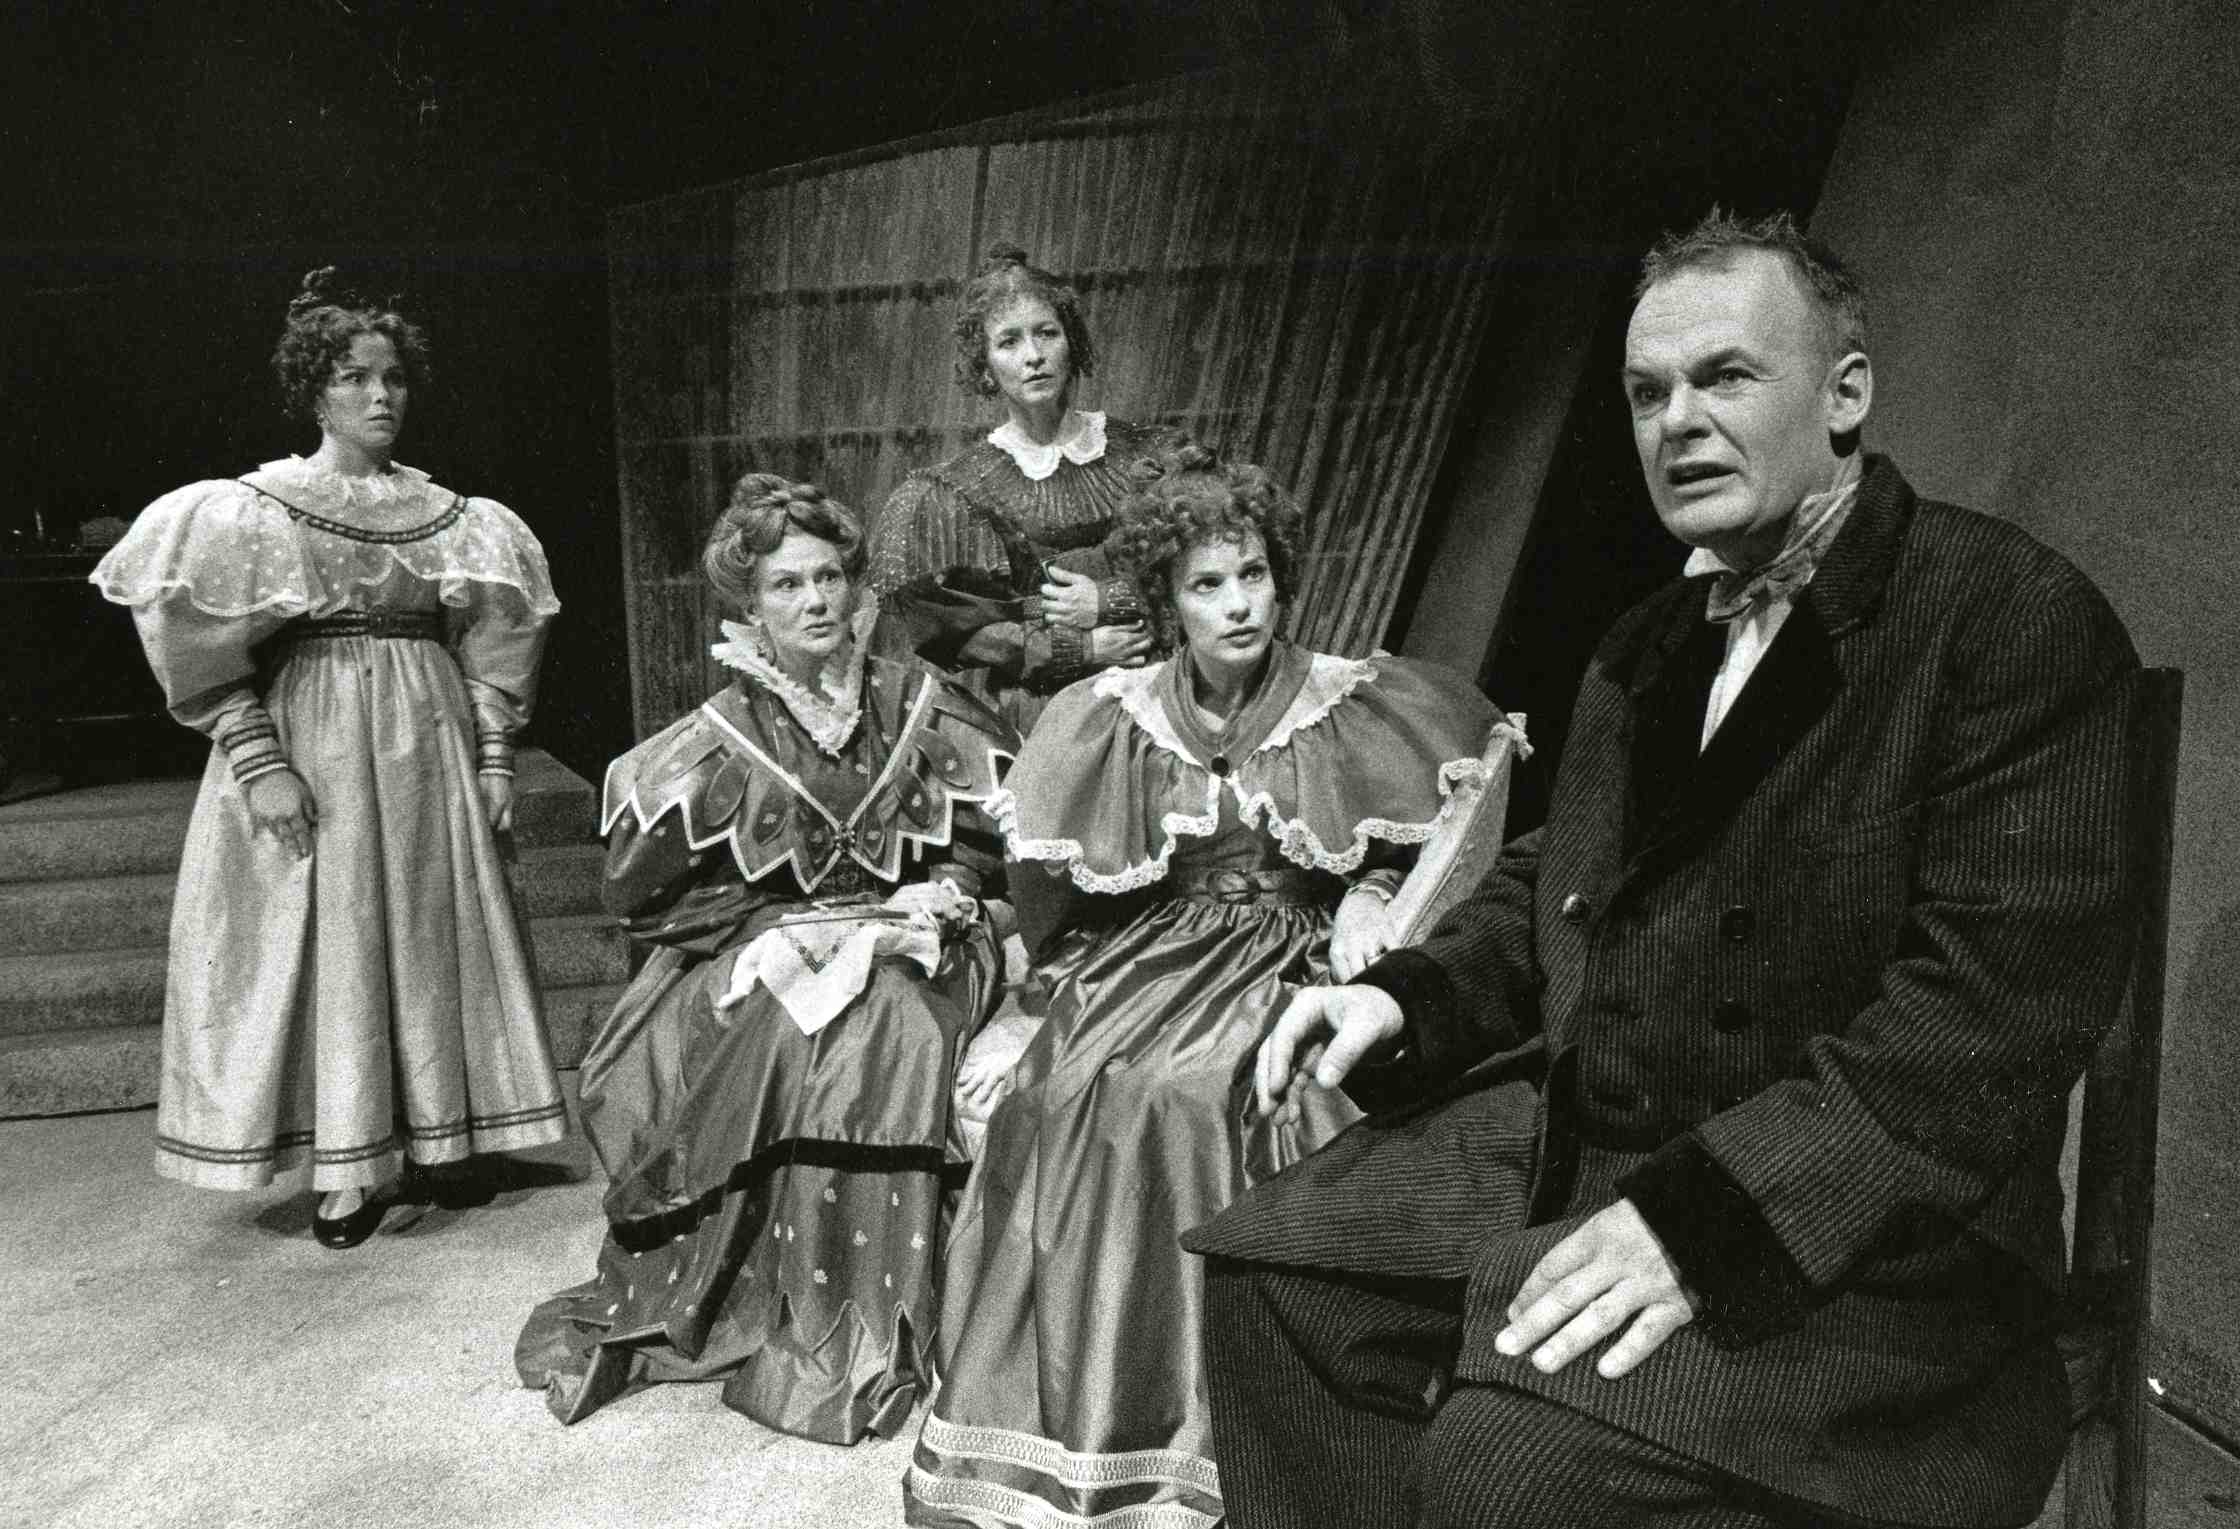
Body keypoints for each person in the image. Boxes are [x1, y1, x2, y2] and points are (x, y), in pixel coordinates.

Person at [1187, 211, 2144, 1528]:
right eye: (1647, 393)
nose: (1677, 422)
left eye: (1725, 377)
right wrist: (1404, 997)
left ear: (1844, 393)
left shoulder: (2005, 619)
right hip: (1608, 1149)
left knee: (1500, 1471)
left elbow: (1982, 1020)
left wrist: (1702, 1226)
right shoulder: (1645, 641)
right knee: (1272, 1279)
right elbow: (1560, 881)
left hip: (1866, 1238)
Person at [905, 442, 1509, 1529]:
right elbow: (1057, 899)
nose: (1237, 604)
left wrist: (1369, 894)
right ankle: (1094, 1430)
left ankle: (1239, 1442)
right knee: (1067, 1093)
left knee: (1220, 1093)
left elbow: (1436, 843)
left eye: (1253, 575)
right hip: (1155, 950)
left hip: (1302, 946)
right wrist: (1035, 1006)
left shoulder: (1352, 700)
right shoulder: (1113, 711)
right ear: (1165, 600)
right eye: (1206, 584)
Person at [515, 473, 1018, 1444]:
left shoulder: (919, 702)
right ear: (750, 606)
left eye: (828, 576)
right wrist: (783, 925)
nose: (815, 600)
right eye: (787, 584)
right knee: (789, 1019)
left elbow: (996, 845)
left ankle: (888, 1309)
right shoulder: (721, 737)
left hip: (926, 935)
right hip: (777, 947)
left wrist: (946, 891)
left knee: (895, 1014)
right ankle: (798, 1293)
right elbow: (653, 898)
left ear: (855, 586)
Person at [89, 268, 565, 1248]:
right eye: (354, 378)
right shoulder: (256, 508)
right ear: (315, 391)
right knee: (336, 934)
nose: (380, 396)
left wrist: (493, 757)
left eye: (393, 378)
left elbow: (495, 642)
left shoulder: (457, 515)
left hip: (428, 738)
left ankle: (444, 1140)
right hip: (318, 730)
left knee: (433, 926)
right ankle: (348, 1168)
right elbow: (199, 650)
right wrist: (259, 760)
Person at [866, 245, 1166, 736]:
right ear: (985, 366)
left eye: (1047, 333)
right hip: (1047, 712)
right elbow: (961, 630)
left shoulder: (1150, 455)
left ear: (1072, 343)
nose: (1033, 356)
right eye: (1009, 341)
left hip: (1159, 688)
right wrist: (1081, 648)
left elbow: (1210, 572)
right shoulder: (957, 490)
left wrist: (1108, 599)